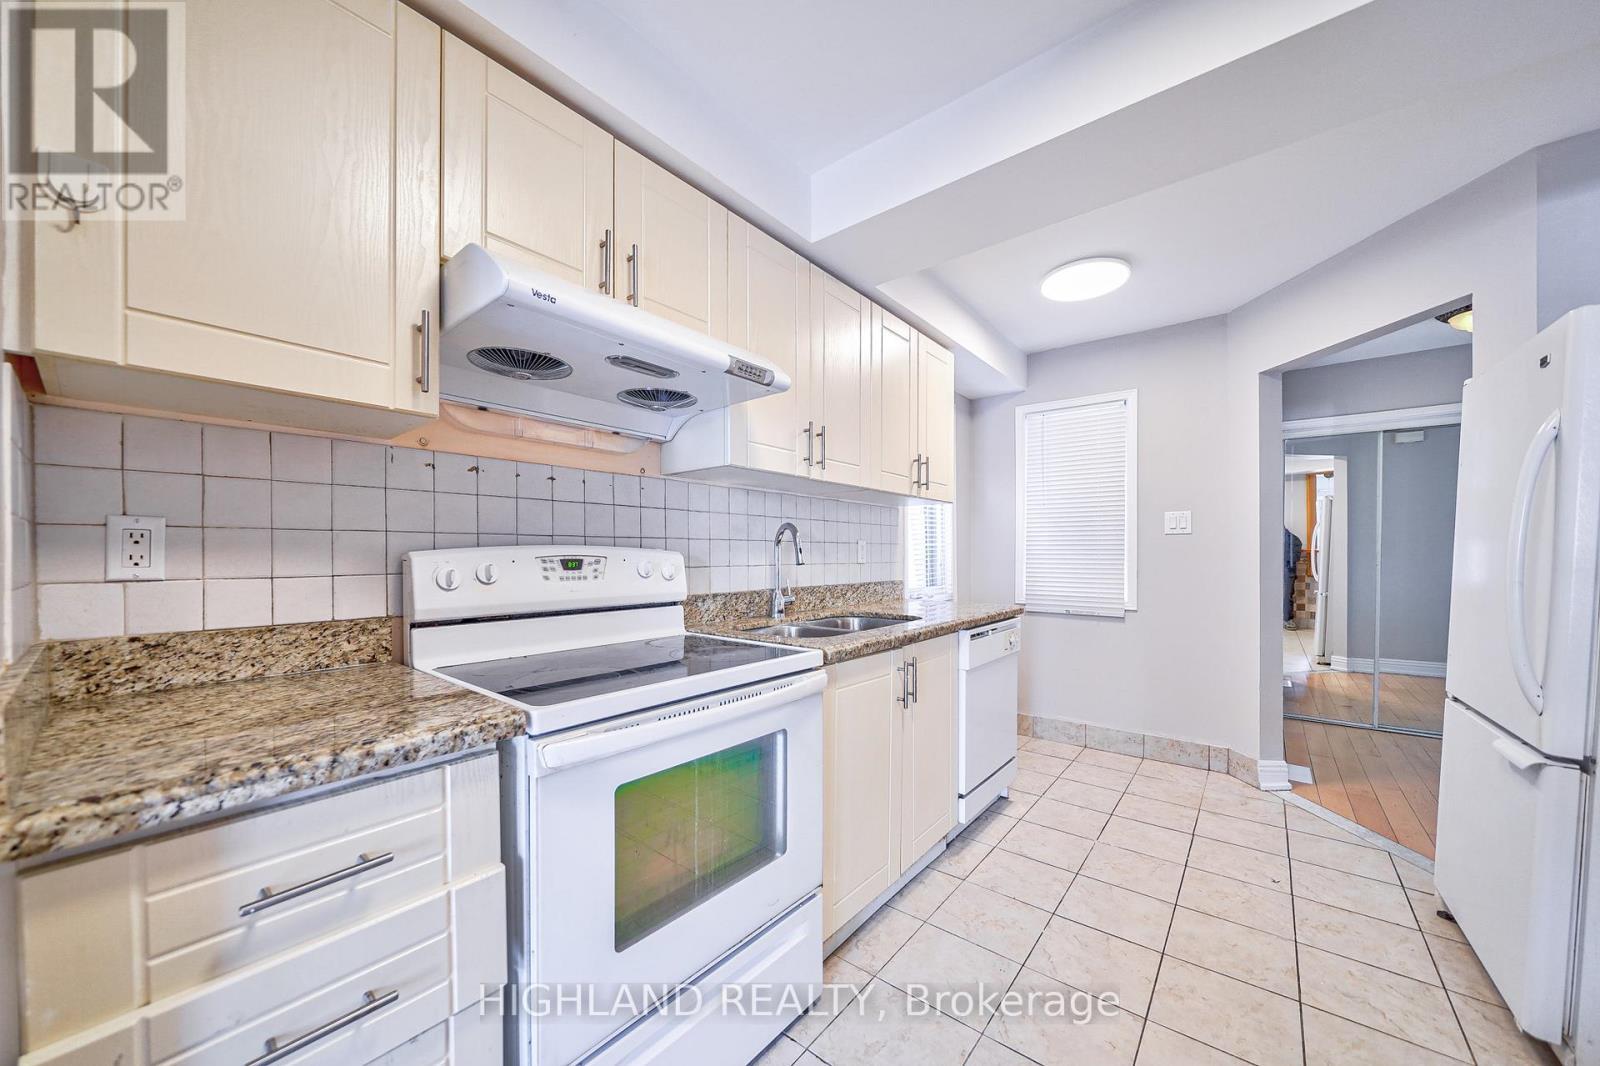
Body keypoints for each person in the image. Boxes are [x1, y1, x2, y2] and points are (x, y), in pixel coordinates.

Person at [1284, 527, 1303, 629]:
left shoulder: (1292, 539)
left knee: (1286, 595)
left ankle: (1287, 619)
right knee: (1287, 595)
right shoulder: (1293, 539)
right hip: (1288, 570)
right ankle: (1287, 620)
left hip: (1287, 570)